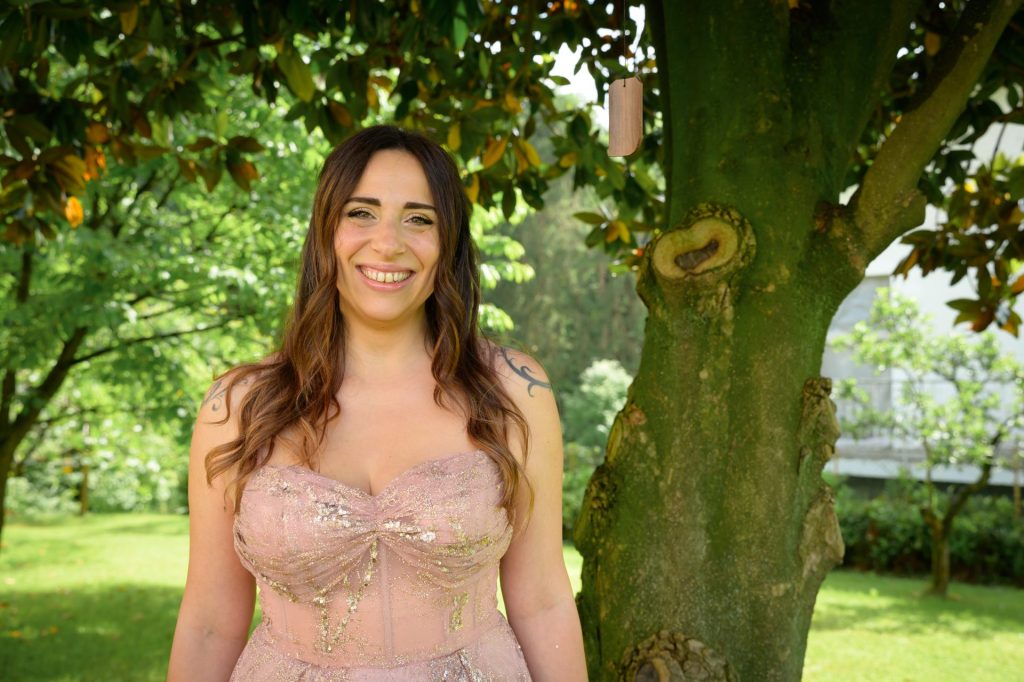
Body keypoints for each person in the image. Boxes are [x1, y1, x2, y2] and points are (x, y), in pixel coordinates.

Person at [167, 125, 587, 681]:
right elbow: (209, 623)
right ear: (326, 231)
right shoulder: (239, 407)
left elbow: (542, 601)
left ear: (448, 242)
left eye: (419, 219)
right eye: (361, 213)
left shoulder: (513, 391)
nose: (388, 243)